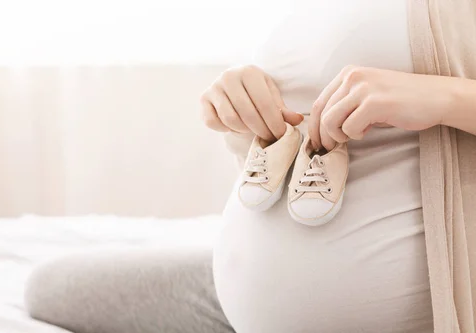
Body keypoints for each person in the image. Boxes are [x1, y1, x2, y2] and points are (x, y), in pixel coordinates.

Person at [25, 1, 476, 332]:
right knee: (50, 287)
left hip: (420, 305)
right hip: (242, 301)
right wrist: (239, 115)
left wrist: (447, 98)